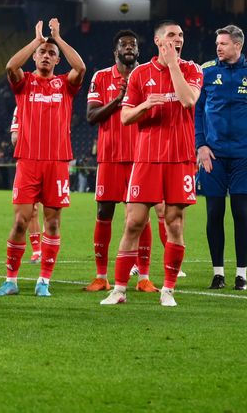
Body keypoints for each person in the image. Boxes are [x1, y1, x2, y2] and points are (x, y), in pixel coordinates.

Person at [101, 20, 202, 308]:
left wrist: (173, 66)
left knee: (174, 222)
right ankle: (119, 290)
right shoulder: (139, 74)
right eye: (171, 35)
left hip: (180, 158)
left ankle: (168, 290)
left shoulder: (192, 69)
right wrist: (145, 106)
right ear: (159, 41)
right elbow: (124, 117)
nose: (178, 39)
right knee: (133, 222)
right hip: (146, 158)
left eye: (181, 35)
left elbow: (187, 99)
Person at [0, 19, 85, 299]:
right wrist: (37, 39)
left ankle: (43, 281)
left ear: (57, 59)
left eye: (51, 53)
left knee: (53, 223)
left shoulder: (65, 85)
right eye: (42, 52)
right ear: (34, 56)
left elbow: (80, 68)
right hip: (28, 161)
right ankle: (10, 280)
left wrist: (58, 38)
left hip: (57, 162)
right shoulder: (25, 83)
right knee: (21, 221)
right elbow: (10, 66)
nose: (46, 55)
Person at [195, 25, 247, 291]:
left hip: (242, 155)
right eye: (217, 43)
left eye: (223, 43)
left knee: (241, 212)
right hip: (212, 156)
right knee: (214, 212)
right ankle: (218, 272)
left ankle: (241, 273)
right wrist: (201, 145)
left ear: (238, 46)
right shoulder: (205, 71)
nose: (218, 47)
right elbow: (196, 112)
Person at [84, 30, 157, 294]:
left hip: (142, 157)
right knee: (104, 213)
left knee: (142, 217)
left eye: (133, 45)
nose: (129, 48)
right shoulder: (101, 77)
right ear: (115, 51)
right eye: (124, 45)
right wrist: (118, 100)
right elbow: (91, 116)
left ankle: (144, 278)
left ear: (138, 50)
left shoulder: (149, 75)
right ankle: (101, 276)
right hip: (110, 156)